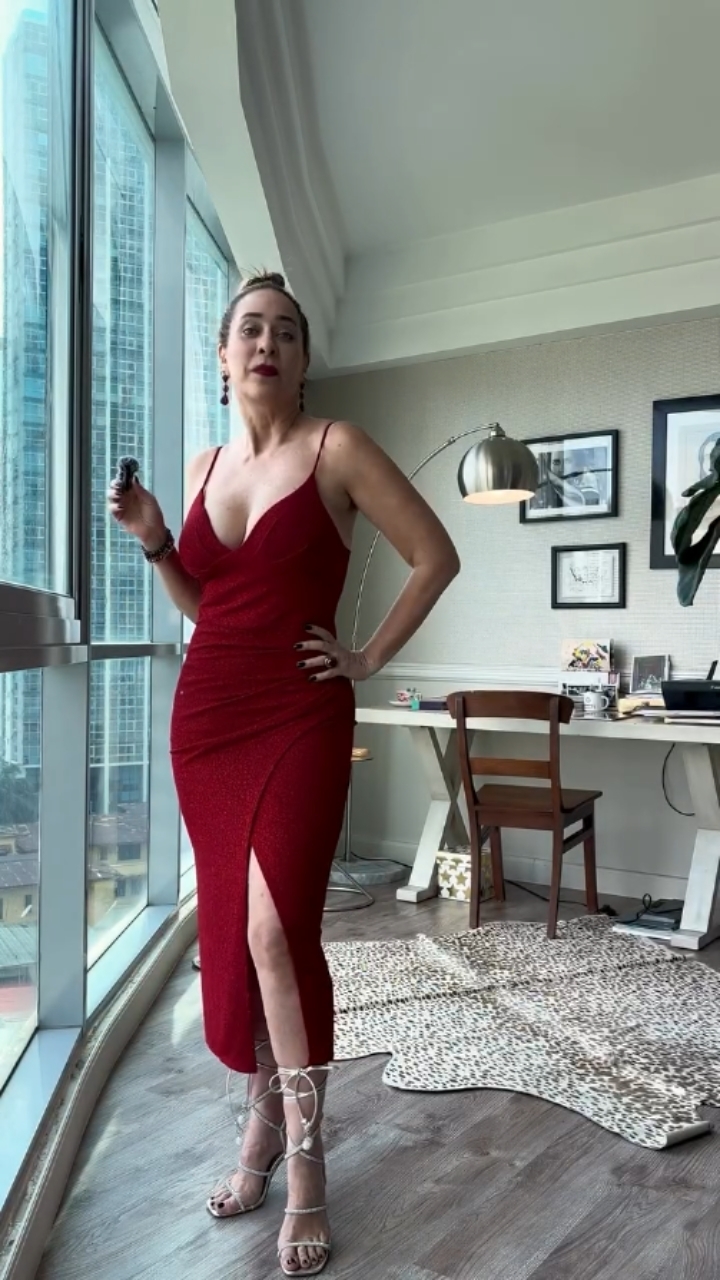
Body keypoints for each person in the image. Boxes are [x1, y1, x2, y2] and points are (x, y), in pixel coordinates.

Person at [108, 272, 459, 1276]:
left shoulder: (337, 447)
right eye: (251, 330)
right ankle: (263, 1125)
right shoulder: (204, 463)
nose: (268, 344)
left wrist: (367, 656)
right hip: (207, 723)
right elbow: (208, 607)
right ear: (224, 356)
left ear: (303, 359)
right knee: (234, 933)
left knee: (275, 931)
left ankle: (306, 1159)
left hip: (302, 713)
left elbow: (434, 556)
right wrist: (157, 542)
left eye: (288, 332)